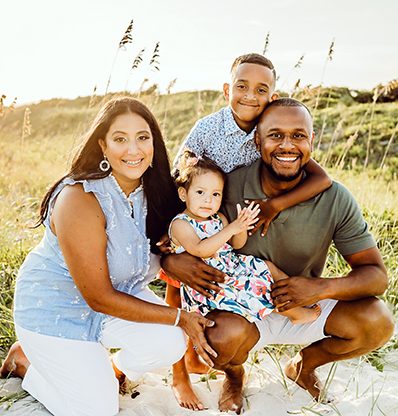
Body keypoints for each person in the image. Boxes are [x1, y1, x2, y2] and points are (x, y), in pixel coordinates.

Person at [162, 97, 394, 414]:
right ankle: (234, 375)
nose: (287, 145)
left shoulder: (335, 197)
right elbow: (176, 232)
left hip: (301, 302)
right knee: (221, 337)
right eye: (275, 135)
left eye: (298, 135)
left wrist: (321, 288)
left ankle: (303, 366)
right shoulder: (224, 186)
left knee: (377, 321)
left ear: (312, 140)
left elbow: (376, 276)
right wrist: (171, 261)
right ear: (257, 140)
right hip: (239, 309)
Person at [0, 97, 217, 416]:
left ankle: (111, 369)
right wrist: (180, 316)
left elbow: (166, 249)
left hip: (119, 296)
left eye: (143, 138)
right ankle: (25, 364)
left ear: (154, 143)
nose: (133, 149)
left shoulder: (158, 193)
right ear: (102, 146)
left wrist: (173, 261)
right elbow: (98, 297)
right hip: (56, 311)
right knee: (97, 411)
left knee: (171, 342)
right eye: (120, 139)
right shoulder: (78, 198)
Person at [161, 53, 332, 410]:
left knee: (237, 283)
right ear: (227, 89)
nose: (250, 96)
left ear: (272, 95)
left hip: (233, 228)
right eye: (242, 86)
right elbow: (179, 176)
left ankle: (227, 370)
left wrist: (273, 207)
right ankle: (179, 374)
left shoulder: (271, 127)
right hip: (196, 225)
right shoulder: (206, 129)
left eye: (261, 89)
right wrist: (171, 247)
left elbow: (322, 178)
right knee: (178, 291)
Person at [171, 150, 321, 325]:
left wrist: (240, 227)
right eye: (200, 192)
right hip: (210, 281)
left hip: (232, 266)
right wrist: (231, 229)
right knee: (256, 287)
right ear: (183, 194)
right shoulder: (181, 224)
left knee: (267, 266)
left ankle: (295, 294)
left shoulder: (218, 218)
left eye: (215, 194)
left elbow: (236, 244)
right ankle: (294, 313)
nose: (208, 200)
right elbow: (200, 250)